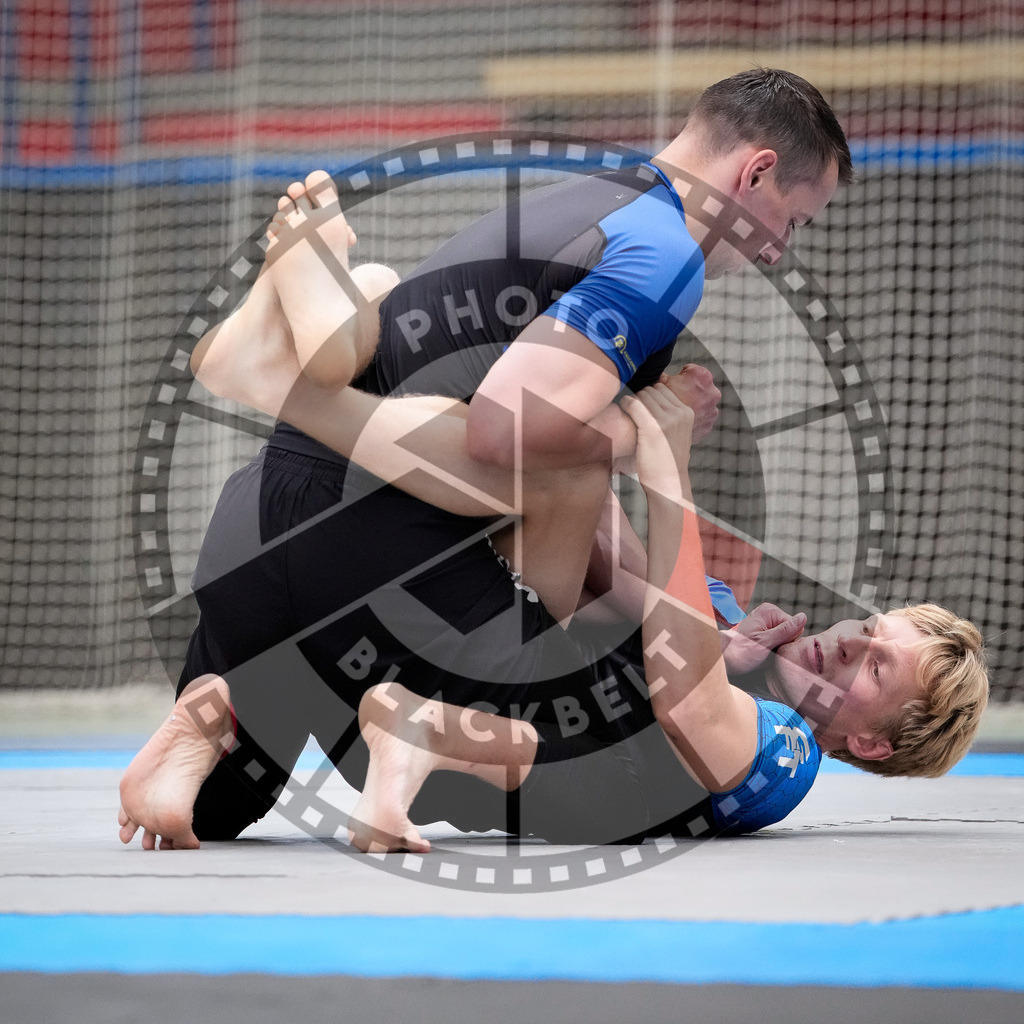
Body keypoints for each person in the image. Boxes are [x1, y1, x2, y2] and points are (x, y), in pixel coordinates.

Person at [118, 178, 988, 852]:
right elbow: (593, 562)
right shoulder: (723, 621)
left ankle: (217, 711)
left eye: (876, 672)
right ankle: (423, 731)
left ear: (871, 746)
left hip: (299, 553)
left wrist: (660, 464)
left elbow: (688, 709)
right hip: (443, 668)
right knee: (563, 484)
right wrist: (613, 420)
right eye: (874, 631)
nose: (851, 643)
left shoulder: (789, 749)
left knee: (221, 813)